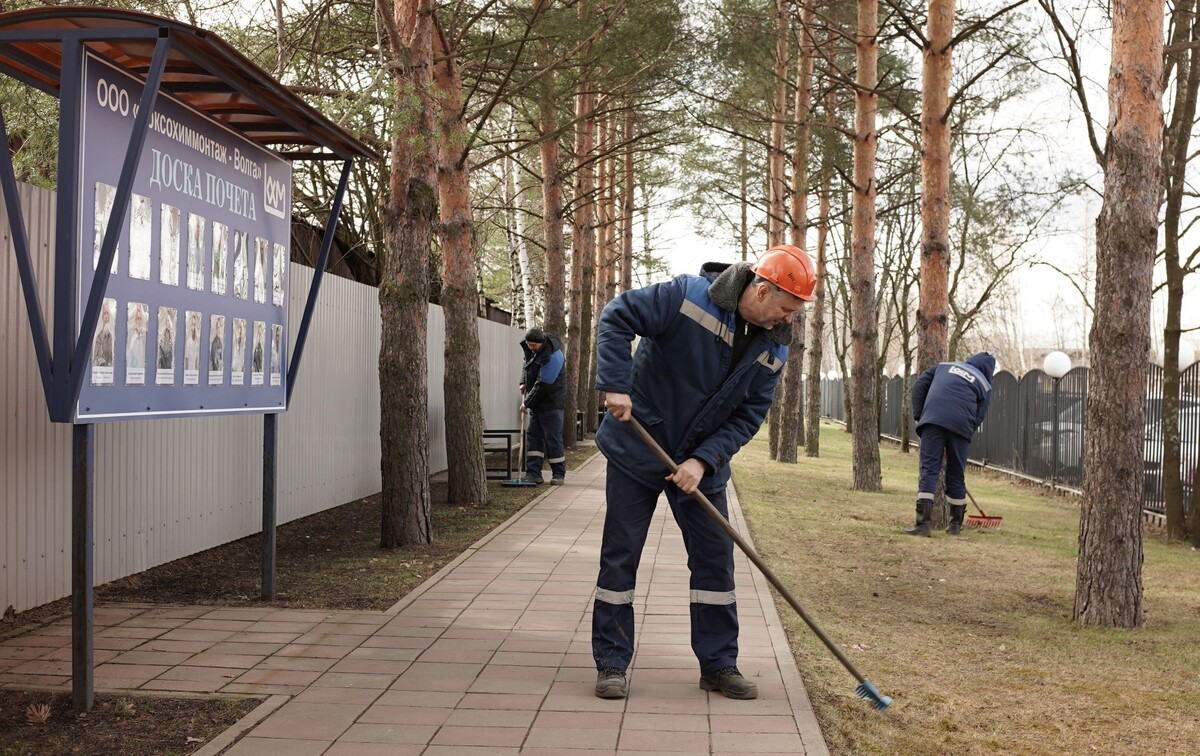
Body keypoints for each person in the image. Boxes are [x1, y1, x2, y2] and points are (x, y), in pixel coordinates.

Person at [589, 244, 816, 701]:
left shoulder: (776, 349)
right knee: (621, 555)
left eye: (795, 313)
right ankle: (611, 663)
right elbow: (616, 317)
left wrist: (702, 460)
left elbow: (748, 416)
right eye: (786, 309)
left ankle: (718, 665)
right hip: (639, 447)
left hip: (701, 464)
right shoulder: (686, 297)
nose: (788, 320)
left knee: (716, 561)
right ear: (762, 288)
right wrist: (614, 383)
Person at [907, 352, 997, 537]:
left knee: (929, 469)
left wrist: (919, 415)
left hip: (932, 421)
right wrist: (963, 434)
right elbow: (980, 415)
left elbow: (918, 387)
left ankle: (922, 524)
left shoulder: (943, 366)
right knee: (956, 473)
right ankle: (955, 526)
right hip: (961, 426)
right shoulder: (984, 384)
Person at [518, 327, 567, 485]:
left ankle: (558, 474)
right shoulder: (531, 348)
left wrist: (527, 403)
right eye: (529, 344)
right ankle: (533, 473)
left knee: (552, 438)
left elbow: (543, 385)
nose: (531, 348)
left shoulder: (554, 356)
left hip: (552, 402)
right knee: (534, 436)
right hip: (538, 403)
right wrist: (523, 381)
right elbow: (527, 364)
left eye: (534, 346)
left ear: (542, 343)